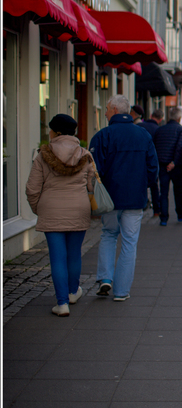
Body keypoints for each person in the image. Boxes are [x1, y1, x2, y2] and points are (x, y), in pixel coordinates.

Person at [88, 95, 159, 302]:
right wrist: (142, 185)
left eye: (107, 109)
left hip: (109, 198)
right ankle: (121, 291)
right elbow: (153, 168)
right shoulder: (143, 135)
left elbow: (94, 170)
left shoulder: (103, 136)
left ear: (115, 110)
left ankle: (105, 278)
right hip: (134, 198)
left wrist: (95, 193)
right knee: (129, 242)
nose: (105, 113)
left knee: (109, 234)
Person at [25, 114, 94, 316]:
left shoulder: (43, 155)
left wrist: (39, 208)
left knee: (57, 257)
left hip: (51, 209)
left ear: (56, 132)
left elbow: (32, 189)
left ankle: (62, 303)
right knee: (74, 254)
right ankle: (73, 292)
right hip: (79, 209)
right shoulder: (85, 155)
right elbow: (91, 187)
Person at [152, 106, 182, 225]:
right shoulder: (181, 130)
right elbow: (180, 147)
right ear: (179, 118)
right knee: (178, 191)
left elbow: (155, 146)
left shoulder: (160, 129)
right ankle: (180, 214)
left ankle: (163, 218)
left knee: (163, 192)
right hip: (176, 166)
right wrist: (174, 162)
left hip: (162, 165)